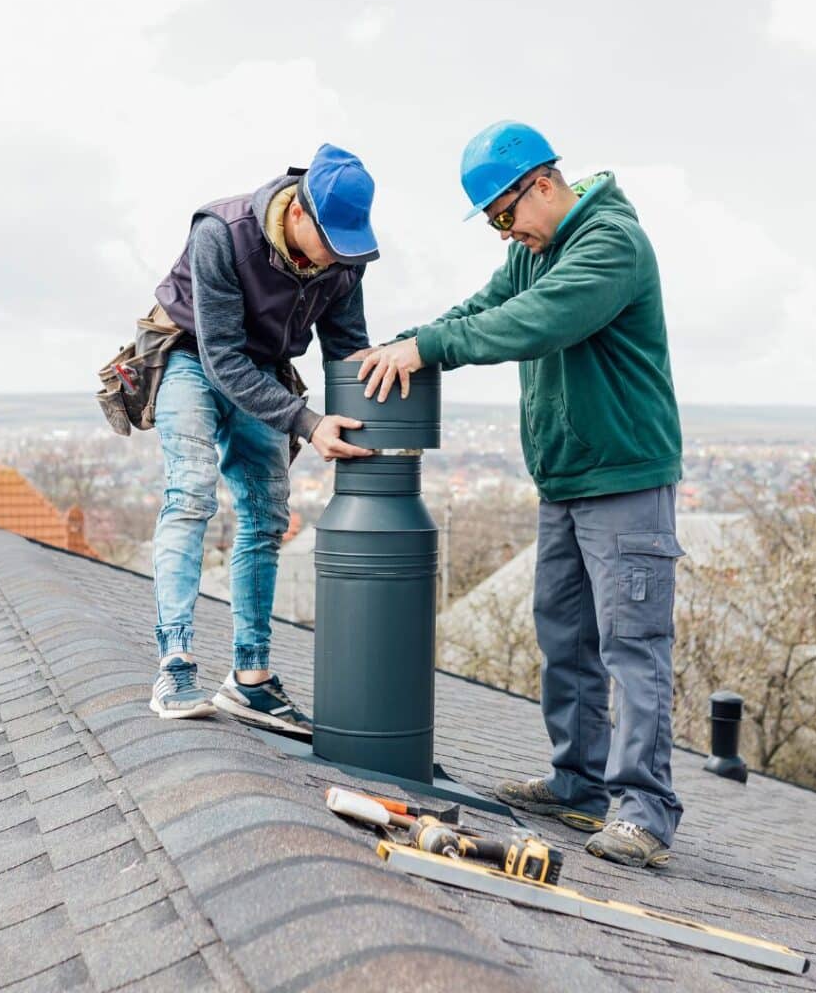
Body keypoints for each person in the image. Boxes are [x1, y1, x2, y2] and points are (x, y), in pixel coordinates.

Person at [357, 122, 684, 868]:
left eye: (505, 215)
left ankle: (646, 810)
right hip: (566, 479)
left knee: (633, 646)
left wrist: (429, 350)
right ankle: (578, 783)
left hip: (626, 480)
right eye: (494, 224)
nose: (503, 234)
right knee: (565, 638)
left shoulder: (610, 244)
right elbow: (479, 310)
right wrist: (403, 343)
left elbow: (533, 325)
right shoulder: (530, 253)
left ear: (542, 184)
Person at [148, 144, 377, 735]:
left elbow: (347, 350)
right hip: (193, 356)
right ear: (298, 215)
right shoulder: (222, 233)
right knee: (191, 495)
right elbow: (221, 357)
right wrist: (306, 422)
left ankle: (249, 679)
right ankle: (175, 664)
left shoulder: (344, 261)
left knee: (266, 518)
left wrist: (370, 413)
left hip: (265, 369)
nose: (336, 261)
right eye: (331, 244)